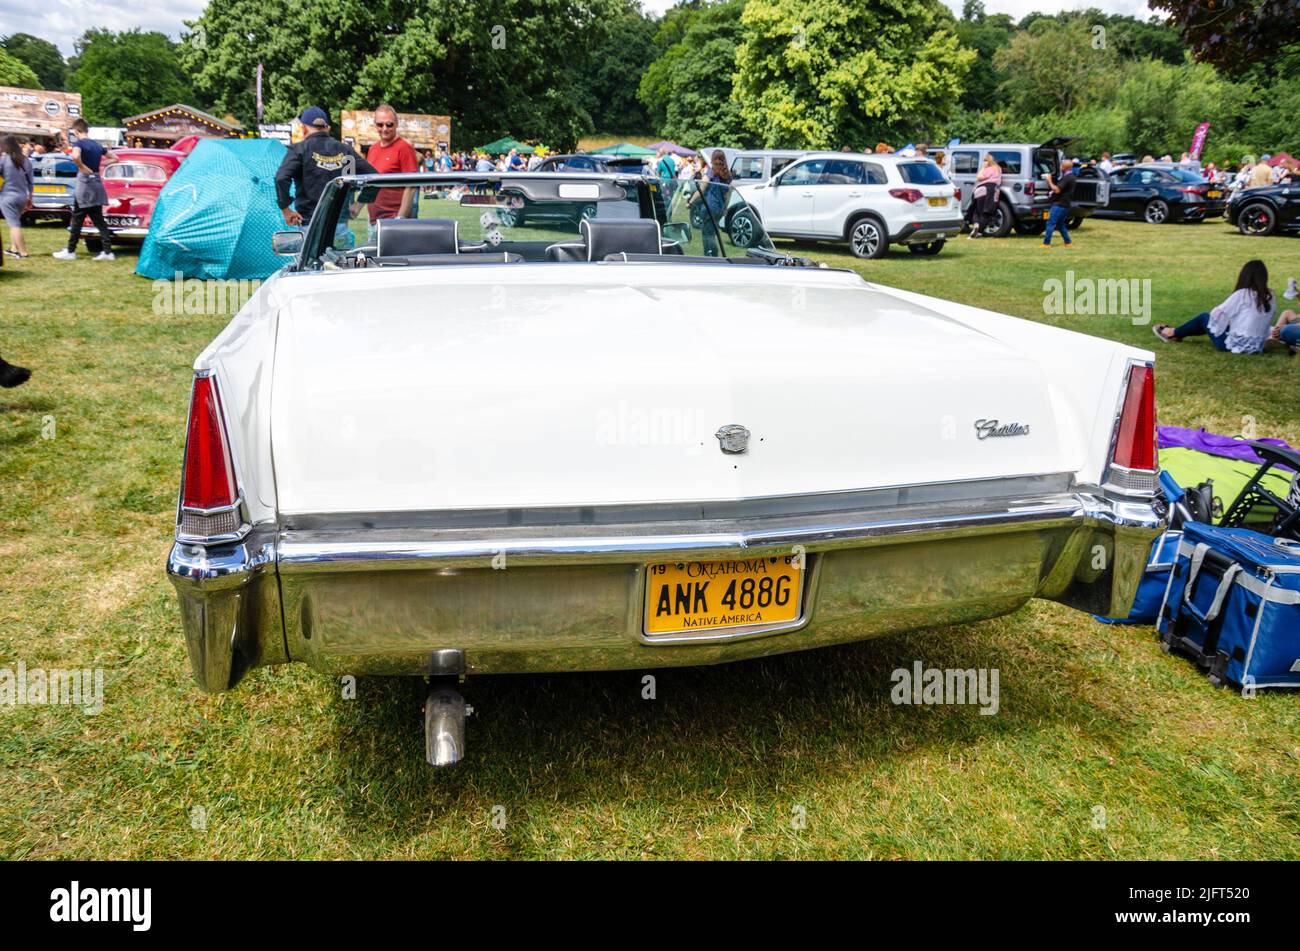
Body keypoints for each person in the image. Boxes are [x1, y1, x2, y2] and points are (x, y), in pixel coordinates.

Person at [274, 106, 375, 247]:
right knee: (341, 266)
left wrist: (286, 209)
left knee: (309, 268)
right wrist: (358, 204)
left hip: (309, 223)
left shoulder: (299, 149)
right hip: (339, 224)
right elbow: (373, 176)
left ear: (303, 128)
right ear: (326, 127)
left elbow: (281, 177)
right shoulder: (344, 150)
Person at [1152, 260, 1276, 354]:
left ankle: (1172, 333)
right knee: (1210, 323)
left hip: (1234, 346)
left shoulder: (1243, 294)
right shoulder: (1271, 295)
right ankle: (1178, 334)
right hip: (1258, 346)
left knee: (1205, 318)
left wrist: (1222, 325)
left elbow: (1217, 314)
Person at [52, 118, 113, 261]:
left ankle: (70, 251)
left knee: (77, 219)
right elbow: (114, 157)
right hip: (96, 183)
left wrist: (82, 167)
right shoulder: (97, 145)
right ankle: (108, 252)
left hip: (84, 185)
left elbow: (75, 156)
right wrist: (100, 165)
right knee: (99, 220)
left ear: (77, 131)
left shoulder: (79, 143)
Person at [363, 104, 419, 243]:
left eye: (389, 124)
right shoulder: (373, 149)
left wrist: (400, 220)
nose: (384, 129)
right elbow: (371, 183)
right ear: (375, 125)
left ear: (396, 124)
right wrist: (356, 207)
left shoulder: (404, 148)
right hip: (374, 222)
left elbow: (411, 186)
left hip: (394, 222)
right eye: (380, 124)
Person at [689, 150, 732, 257]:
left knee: (707, 235)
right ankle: (714, 255)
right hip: (719, 209)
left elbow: (701, 191)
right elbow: (727, 196)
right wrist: (725, 209)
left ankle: (710, 257)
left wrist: (690, 202)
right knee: (713, 234)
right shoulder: (727, 175)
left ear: (713, 159)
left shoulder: (710, 173)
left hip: (709, 209)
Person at [1, 134, 35, 259]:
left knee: (14, 224)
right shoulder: (26, 160)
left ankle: (23, 252)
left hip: (7, 196)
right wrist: (30, 198)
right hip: (22, 196)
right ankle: (13, 249)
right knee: (15, 221)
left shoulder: (4, 159)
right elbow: (31, 182)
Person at [1041, 158, 1076, 248]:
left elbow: (1057, 190)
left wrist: (1049, 180)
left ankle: (1046, 243)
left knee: (1050, 223)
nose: (1060, 167)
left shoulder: (1067, 178)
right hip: (1066, 204)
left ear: (1064, 167)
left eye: (1061, 165)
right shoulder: (1072, 176)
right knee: (1060, 224)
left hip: (1060, 204)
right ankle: (1068, 242)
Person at [969, 153, 1002, 239]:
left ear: (987, 161)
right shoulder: (998, 169)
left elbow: (979, 177)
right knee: (986, 213)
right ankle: (979, 232)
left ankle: (976, 226)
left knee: (976, 211)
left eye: (985, 160)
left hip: (982, 191)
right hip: (993, 191)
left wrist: (983, 168)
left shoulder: (988, 169)